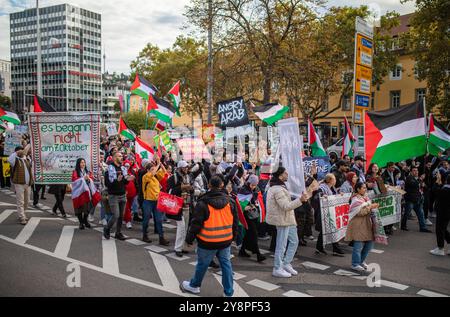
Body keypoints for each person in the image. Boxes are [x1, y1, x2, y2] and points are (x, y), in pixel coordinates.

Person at [180, 175, 238, 297]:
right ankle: (228, 293)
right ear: (222, 185)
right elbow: (235, 222)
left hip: (208, 241)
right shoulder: (230, 201)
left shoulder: (203, 203)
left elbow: (195, 224)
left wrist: (189, 239)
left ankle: (194, 286)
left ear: (209, 186)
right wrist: (233, 237)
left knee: (202, 264)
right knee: (226, 265)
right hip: (225, 240)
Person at [266, 167, 309, 278]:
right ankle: (277, 268)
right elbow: (285, 206)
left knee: (294, 241)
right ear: (280, 175)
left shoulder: (280, 186)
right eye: (285, 173)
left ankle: (286, 263)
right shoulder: (278, 189)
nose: (287, 174)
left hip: (287, 219)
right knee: (281, 245)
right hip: (282, 220)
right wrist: (300, 200)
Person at [167, 160, 203, 257]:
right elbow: (169, 192)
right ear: (179, 168)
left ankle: (181, 247)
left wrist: (199, 162)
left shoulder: (189, 176)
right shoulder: (173, 178)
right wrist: (182, 187)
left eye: (187, 167)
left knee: (185, 228)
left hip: (187, 206)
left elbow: (200, 169)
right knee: (182, 228)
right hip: (178, 207)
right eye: (184, 167)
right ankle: (177, 249)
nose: (186, 169)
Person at [345, 182, 379, 271]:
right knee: (358, 245)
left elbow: (366, 209)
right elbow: (360, 212)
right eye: (363, 188)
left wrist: (372, 207)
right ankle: (355, 264)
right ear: (358, 189)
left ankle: (361, 261)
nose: (365, 189)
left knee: (369, 244)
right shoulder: (355, 199)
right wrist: (370, 207)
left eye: (365, 187)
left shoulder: (365, 198)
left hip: (367, 224)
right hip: (358, 224)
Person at [312, 173, 345, 256]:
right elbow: (316, 196)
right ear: (330, 180)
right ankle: (334, 249)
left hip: (330, 212)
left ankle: (320, 248)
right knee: (329, 229)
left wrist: (339, 195)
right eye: (334, 179)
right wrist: (323, 195)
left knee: (327, 229)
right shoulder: (322, 188)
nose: (335, 181)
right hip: (324, 212)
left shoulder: (332, 188)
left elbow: (334, 197)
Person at [104, 152, 135, 240]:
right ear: (114, 158)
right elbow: (107, 184)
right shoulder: (109, 169)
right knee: (116, 215)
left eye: (121, 156)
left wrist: (128, 179)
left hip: (122, 195)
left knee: (121, 216)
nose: (121, 157)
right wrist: (116, 181)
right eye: (119, 156)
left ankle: (118, 232)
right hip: (113, 196)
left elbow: (124, 182)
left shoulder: (123, 168)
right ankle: (107, 228)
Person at [237, 174, 266, 263]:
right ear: (248, 182)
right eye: (252, 185)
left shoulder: (256, 190)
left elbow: (256, 200)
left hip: (253, 215)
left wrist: (254, 204)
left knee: (249, 233)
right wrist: (244, 207)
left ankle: (242, 250)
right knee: (253, 234)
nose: (253, 187)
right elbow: (239, 202)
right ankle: (258, 254)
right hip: (246, 216)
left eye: (255, 185)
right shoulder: (243, 190)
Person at [142, 156, 169, 245]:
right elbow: (153, 172)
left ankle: (161, 238)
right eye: (152, 169)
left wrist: (160, 164)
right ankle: (145, 235)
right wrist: (157, 165)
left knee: (158, 220)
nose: (154, 170)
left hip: (156, 201)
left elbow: (164, 172)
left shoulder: (155, 178)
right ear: (148, 170)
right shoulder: (145, 177)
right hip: (148, 201)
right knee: (146, 219)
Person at [402, 166, 432, 233]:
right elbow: (414, 185)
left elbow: (424, 187)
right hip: (410, 200)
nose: (416, 172)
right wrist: (420, 180)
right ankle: (403, 226)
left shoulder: (418, 179)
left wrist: (423, 184)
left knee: (421, 214)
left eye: (417, 170)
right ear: (411, 172)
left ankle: (423, 227)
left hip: (418, 200)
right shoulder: (409, 178)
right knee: (406, 213)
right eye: (414, 170)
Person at [8, 145, 33, 225]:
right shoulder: (14, 159)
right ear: (17, 152)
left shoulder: (27, 159)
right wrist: (16, 153)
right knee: (20, 201)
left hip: (28, 184)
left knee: (27, 201)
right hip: (19, 184)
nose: (22, 152)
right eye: (20, 151)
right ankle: (22, 217)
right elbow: (10, 159)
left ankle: (23, 214)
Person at [429, 173, 450, 256]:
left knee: (439, 230)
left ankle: (440, 248)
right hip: (446, 212)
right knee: (443, 229)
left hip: (443, 212)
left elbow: (434, 190)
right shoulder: (445, 189)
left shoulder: (445, 190)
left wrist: (437, 181)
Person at [71, 158, 94, 230]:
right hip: (78, 193)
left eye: (84, 162)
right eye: (81, 162)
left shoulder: (88, 171)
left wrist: (89, 179)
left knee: (88, 208)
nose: (83, 164)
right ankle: (81, 223)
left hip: (87, 192)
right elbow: (74, 180)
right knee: (79, 208)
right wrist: (83, 178)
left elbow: (91, 179)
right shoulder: (75, 172)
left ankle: (85, 220)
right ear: (78, 164)